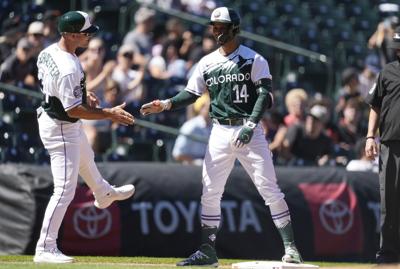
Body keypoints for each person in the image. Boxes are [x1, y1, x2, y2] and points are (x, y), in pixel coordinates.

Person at [140, 7, 302, 266]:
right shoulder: (206, 61)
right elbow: (192, 93)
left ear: (234, 29)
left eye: (221, 27)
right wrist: (167, 104)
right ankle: (207, 250)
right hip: (219, 130)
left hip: (249, 129)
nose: (216, 31)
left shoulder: (253, 59)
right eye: (214, 27)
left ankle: (291, 247)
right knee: (211, 192)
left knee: (269, 189)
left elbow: (264, 95)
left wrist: (251, 124)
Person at [33, 11, 135, 264]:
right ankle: (45, 247)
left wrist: (84, 95)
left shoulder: (50, 52)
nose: (90, 35)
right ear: (70, 34)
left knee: (87, 158)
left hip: (58, 119)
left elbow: (59, 89)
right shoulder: (68, 66)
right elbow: (72, 110)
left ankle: (103, 193)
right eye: (85, 32)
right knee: (64, 191)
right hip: (60, 126)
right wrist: (109, 114)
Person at [365, 25, 400, 265]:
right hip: (390, 144)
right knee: (390, 201)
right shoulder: (387, 72)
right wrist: (370, 136)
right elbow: (374, 105)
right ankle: (387, 254)